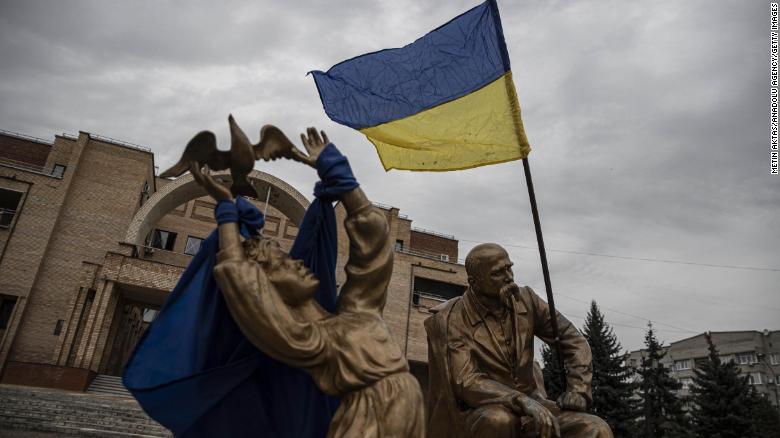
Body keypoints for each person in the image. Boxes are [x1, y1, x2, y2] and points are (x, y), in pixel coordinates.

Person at [190, 128, 424, 438]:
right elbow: (240, 281)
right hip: (365, 423)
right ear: (268, 287)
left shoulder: (358, 309)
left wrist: (337, 173)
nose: (297, 263)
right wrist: (226, 213)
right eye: (282, 262)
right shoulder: (306, 339)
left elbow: (376, 241)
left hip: (409, 415)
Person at [425, 243, 613, 438]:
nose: (509, 277)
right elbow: (467, 381)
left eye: (509, 268)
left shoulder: (526, 299)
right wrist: (520, 400)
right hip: (480, 411)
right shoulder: (453, 319)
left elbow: (574, 342)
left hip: (533, 406)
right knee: (499, 420)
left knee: (595, 428)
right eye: (498, 273)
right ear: (475, 282)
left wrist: (579, 389)